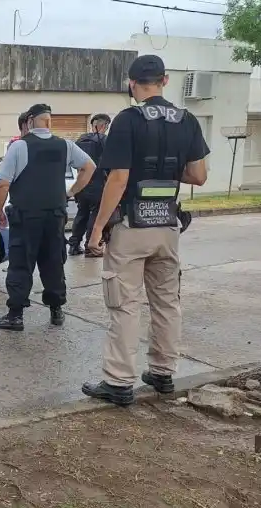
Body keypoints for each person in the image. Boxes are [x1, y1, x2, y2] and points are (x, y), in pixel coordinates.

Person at [81, 55, 209, 406]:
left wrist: (96, 231)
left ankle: (119, 382)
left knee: (124, 305)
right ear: (165, 80)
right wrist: (167, 170)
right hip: (168, 226)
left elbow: (118, 178)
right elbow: (198, 175)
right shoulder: (187, 120)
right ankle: (163, 373)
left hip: (131, 227)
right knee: (167, 303)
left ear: (132, 83)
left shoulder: (128, 119)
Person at [0, 103, 96, 330]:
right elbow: (89, 167)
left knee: (21, 264)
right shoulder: (65, 145)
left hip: (26, 216)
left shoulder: (19, 147)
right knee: (53, 262)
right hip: (55, 216)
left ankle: (15, 315)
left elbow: (3, 183)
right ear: (49, 121)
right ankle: (56, 311)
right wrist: (71, 192)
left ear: (29, 121)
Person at [68, 113, 111, 257]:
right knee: (95, 213)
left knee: (82, 213)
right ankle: (89, 247)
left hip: (82, 183)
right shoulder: (105, 141)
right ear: (103, 126)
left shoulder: (81, 140)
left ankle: (73, 245)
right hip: (98, 184)